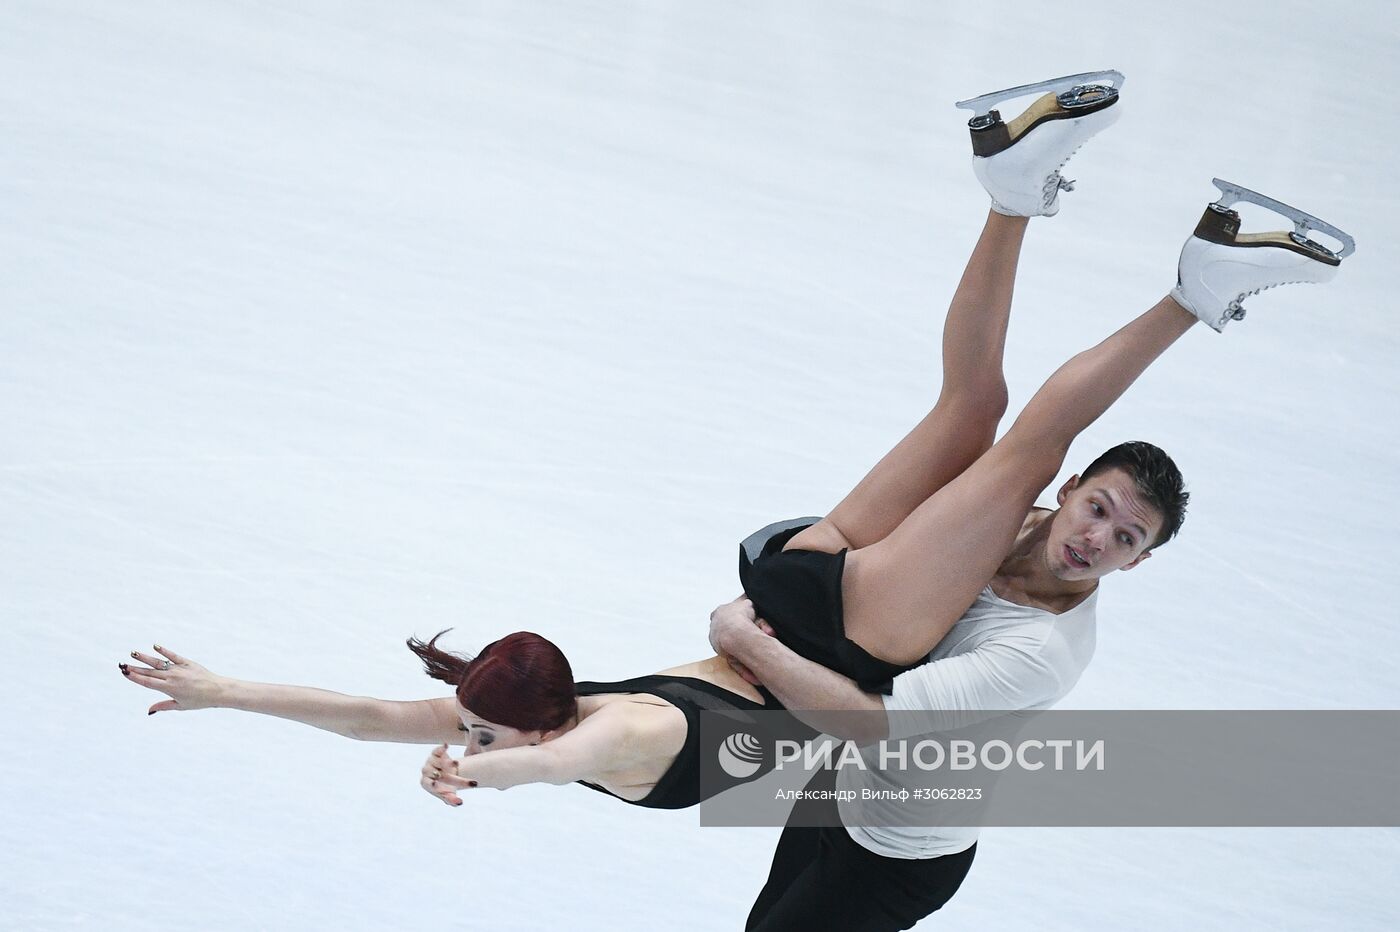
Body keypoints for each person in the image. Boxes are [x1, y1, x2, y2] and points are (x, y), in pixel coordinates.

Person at [705, 72, 1354, 932]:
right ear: (1068, 495)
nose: (1097, 538)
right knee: (972, 407)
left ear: (1141, 562)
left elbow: (870, 727)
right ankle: (1022, 200)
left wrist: (737, 634)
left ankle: (1190, 282)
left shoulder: (1040, 653)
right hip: (828, 597)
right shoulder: (1021, 520)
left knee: (1021, 443)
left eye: (1126, 537)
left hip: (892, 843)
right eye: (1096, 509)